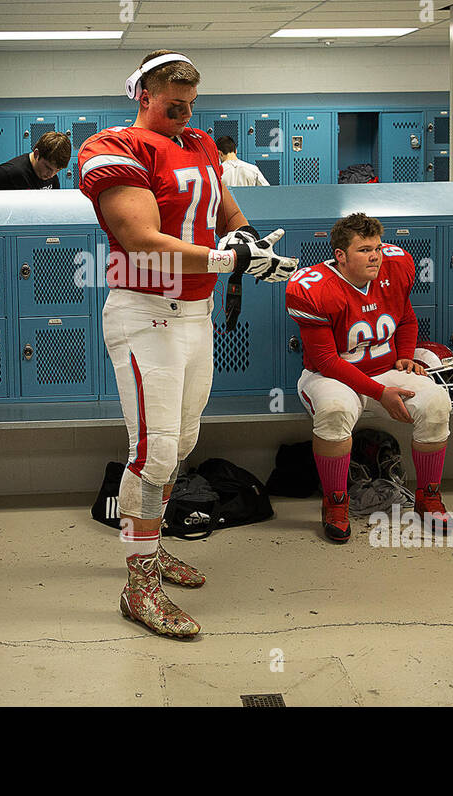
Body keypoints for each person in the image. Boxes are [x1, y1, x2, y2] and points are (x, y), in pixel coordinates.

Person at [78, 50, 298, 637]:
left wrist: (252, 242)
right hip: (146, 314)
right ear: (142, 95)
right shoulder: (113, 147)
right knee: (152, 453)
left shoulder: (199, 143)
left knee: (182, 444)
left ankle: (150, 544)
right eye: (173, 102)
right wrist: (228, 258)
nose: (184, 112)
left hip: (196, 314)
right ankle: (138, 583)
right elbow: (140, 237)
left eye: (192, 102)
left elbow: (226, 210)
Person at [285, 213, 453, 543]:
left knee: (436, 402)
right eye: (364, 250)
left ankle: (428, 497)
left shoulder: (394, 266)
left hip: (386, 371)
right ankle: (335, 501)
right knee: (334, 412)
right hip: (330, 377)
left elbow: (405, 317)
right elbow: (326, 360)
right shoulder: (313, 287)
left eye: (377, 247)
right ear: (341, 255)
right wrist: (380, 393)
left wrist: (405, 354)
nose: (375, 255)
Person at [0, 131, 70, 190]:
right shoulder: (9, 172)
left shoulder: (52, 177)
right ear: (36, 154)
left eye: (57, 170)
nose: (51, 175)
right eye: (48, 167)